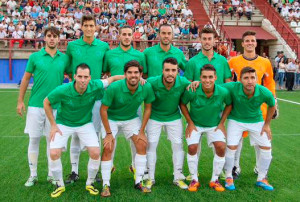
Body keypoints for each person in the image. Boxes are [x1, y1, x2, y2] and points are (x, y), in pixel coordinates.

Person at [44, 64, 123, 198]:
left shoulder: (95, 85)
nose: (82, 80)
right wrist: (53, 124)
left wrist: (135, 78)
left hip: (85, 124)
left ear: (90, 78)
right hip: (64, 123)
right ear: (74, 77)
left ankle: (90, 183)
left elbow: (113, 78)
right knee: (54, 153)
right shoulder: (63, 89)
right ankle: (59, 185)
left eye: (85, 77)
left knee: (95, 152)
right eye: (79, 76)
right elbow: (46, 102)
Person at [16, 27, 70, 187]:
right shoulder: (34, 57)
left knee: (52, 141)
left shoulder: (64, 58)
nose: (52, 39)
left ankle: (51, 175)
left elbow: (74, 77)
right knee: (34, 139)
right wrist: (20, 101)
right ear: (44, 38)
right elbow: (25, 79)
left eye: (55, 36)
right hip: (36, 105)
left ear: (59, 39)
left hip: (56, 107)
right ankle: (33, 175)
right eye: (49, 36)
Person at [100, 60, 155, 197]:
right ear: (125, 74)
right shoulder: (114, 87)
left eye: (136, 72)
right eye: (129, 72)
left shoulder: (146, 87)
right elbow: (103, 110)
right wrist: (108, 133)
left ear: (141, 74)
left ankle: (139, 181)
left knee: (142, 143)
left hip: (131, 118)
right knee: (108, 146)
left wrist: (142, 130)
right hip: (112, 118)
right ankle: (106, 184)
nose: (133, 75)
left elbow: (148, 108)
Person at [65, 15, 110, 183]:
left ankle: (95, 171)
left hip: (97, 97)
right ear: (81, 27)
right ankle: (74, 171)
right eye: (86, 25)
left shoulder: (104, 46)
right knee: (76, 133)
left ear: (96, 27)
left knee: (96, 133)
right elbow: (69, 70)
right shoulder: (72, 46)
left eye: (92, 25)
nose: (89, 28)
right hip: (76, 97)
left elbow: (105, 70)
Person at [228, 31, 276, 179]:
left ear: (256, 43)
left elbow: (269, 83)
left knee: (260, 137)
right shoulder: (233, 61)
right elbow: (228, 81)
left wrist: (274, 102)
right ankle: (235, 166)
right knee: (237, 138)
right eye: (247, 40)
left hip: (258, 106)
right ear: (242, 44)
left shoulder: (265, 62)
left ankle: (259, 167)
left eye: (252, 41)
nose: (250, 43)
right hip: (239, 106)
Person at [180, 64, 232, 192]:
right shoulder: (192, 90)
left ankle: (215, 179)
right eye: (204, 77)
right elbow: (182, 103)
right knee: (192, 147)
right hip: (195, 124)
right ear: (200, 78)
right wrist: (189, 123)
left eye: (210, 77)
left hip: (214, 124)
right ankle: (194, 179)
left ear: (215, 77)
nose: (207, 80)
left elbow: (229, 105)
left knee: (221, 147)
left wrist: (221, 123)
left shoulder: (223, 92)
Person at [223, 67, 276, 191]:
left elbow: (272, 105)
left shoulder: (263, 91)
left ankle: (262, 178)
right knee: (231, 147)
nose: (250, 81)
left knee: (266, 148)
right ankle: (229, 177)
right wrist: (197, 82)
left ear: (257, 79)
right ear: (240, 80)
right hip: (236, 120)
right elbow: (214, 87)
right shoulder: (232, 87)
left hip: (256, 121)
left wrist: (267, 124)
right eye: (246, 78)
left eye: (253, 78)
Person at [103, 25, 146, 176]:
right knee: (109, 138)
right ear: (119, 36)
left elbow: (143, 76)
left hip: (133, 104)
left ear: (133, 36)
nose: (127, 37)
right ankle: (109, 165)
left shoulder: (139, 56)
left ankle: (135, 166)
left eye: (129, 34)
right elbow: (106, 73)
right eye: (124, 34)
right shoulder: (110, 54)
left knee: (137, 138)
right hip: (113, 103)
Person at [145, 57, 191, 190]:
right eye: (167, 70)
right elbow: (140, 85)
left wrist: (196, 83)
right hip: (155, 117)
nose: (170, 73)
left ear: (178, 71)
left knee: (178, 145)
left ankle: (178, 177)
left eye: (173, 70)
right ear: (162, 71)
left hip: (173, 117)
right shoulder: (152, 82)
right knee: (152, 145)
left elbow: (193, 85)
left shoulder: (183, 82)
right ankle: (150, 178)